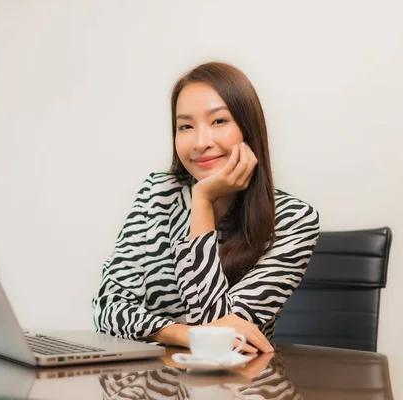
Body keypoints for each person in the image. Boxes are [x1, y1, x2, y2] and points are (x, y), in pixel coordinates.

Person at [92, 62, 320, 354]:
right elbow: (107, 309)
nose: (200, 142)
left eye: (219, 121)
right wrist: (179, 334)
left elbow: (219, 338)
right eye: (185, 126)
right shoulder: (156, 193)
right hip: (157, 384)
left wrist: (202, 202)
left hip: (237, 387)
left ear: (248, 129)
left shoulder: (294, 221)